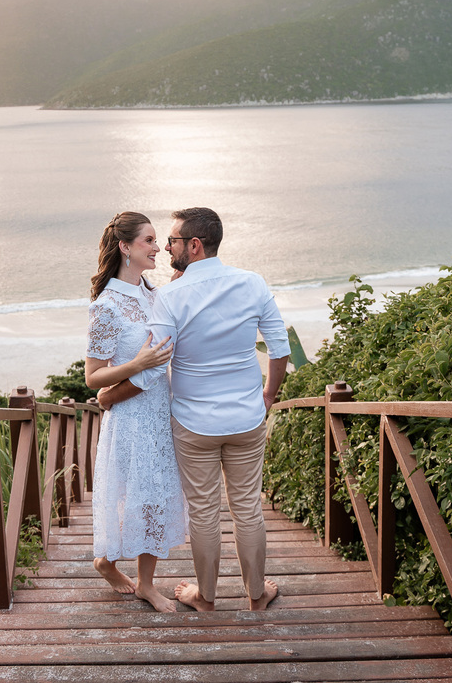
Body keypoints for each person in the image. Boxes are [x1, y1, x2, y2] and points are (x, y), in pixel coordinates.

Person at [99, 207, 290, 612]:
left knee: (204, 512)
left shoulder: (168, 296)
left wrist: (109, 397)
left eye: (172, 240)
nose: (167, 246)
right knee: (248, 508)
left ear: (195, 245)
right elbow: (281, 347)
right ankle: (257, 596)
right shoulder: (252, 283)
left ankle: (205, 598)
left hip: (193, 424)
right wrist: (268, 395)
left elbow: (154, 364)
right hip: (246, 418)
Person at [84, 211, 188, 613]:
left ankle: (146, 583)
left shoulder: (150, 292)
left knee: (156, 496)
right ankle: (105, 562)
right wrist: (137, 365)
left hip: (160, 411)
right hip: (129, 418)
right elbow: (93, 377)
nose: (158, 247)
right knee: (134, 497)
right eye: (149, 240)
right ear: (125, 247)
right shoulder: (106, 307)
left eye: (158, 239)